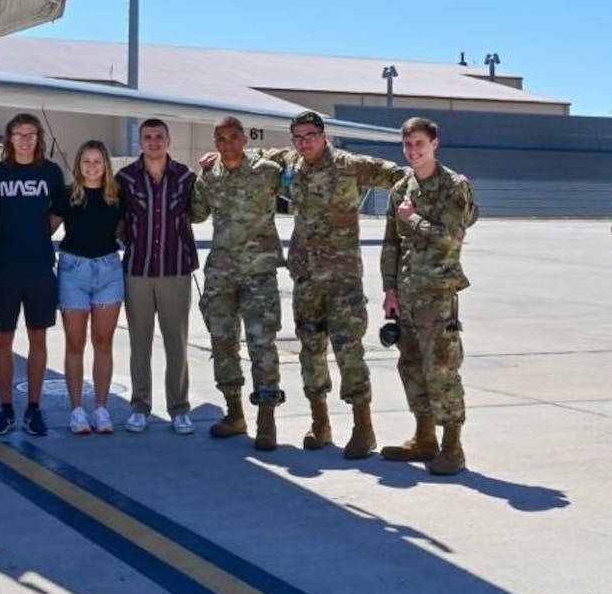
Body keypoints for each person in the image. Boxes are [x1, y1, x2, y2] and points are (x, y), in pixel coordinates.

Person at [257, 111, 406, 459]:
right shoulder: (291, 164)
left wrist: (414, 210)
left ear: (324, 135)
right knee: (311, 352)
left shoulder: (349, 165)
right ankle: (320, 423)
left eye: (310, 135)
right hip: (306, 277)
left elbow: (401, 176)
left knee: (348, 351)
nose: (304, 142)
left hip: (343, 281)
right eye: (298, 137)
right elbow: (253, 157)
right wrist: (214, 157)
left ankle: (363, 427)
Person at [378, 118, 479, 475]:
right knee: (411, 366)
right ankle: (424, 438)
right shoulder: (400, 188)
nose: (413, 151)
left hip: (437, 293)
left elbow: (452, 236)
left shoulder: (454, 185)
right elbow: (391, 243)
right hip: (407, 292)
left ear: (435, 144)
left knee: (442, 369)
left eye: (419, 143)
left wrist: (415, 218)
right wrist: (389, 288)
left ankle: (453, 446)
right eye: (407, 145)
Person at [189, 116, 287, 450]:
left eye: (233, 137)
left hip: (259, 274)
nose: (227, 143)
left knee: (262, 344)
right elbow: (195, 213)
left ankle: (266, 419)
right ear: (215, 142)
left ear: (244, 139)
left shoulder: (267, 171)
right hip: (221, 274)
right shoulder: (209, 176)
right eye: (220, 138)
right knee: (222, 343)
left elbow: (297, 166)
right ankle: (234, 413)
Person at [0, 113, 67, 436]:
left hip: (40, 267)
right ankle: (5, 410)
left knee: (38, 338)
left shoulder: (52, 172)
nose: (25, 140)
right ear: (10, 139)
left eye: (31, 135)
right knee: (3, 339)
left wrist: (45, 230)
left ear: (38, 138)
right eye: (19, 134)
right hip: (4, 268)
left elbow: (62, 206)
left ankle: (33, 409)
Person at [115, 118, 198, 435]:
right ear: (140, 142)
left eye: (158, 136)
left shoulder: (186, 177)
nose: (153, 141)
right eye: (147, 137)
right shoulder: (125, 178)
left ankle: (179, 408)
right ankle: (139, 406)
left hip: (175, 269)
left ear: (168, 140)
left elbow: (199, 212)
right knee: (140, 341)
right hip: (137, 269)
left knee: (176, 341)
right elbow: (116, 217)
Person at [54, 140, 125, 435]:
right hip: (73, 271)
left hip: (109, 270)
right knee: (74, 343)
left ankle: (101, 407)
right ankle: (77, 410)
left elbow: (127, 231)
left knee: (103, 342)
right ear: (78, 165)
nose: (92, 166)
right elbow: (45, 228)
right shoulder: (67, 195)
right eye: (86, 161)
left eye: (98, 161)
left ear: (106, 165)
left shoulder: (116, 197)